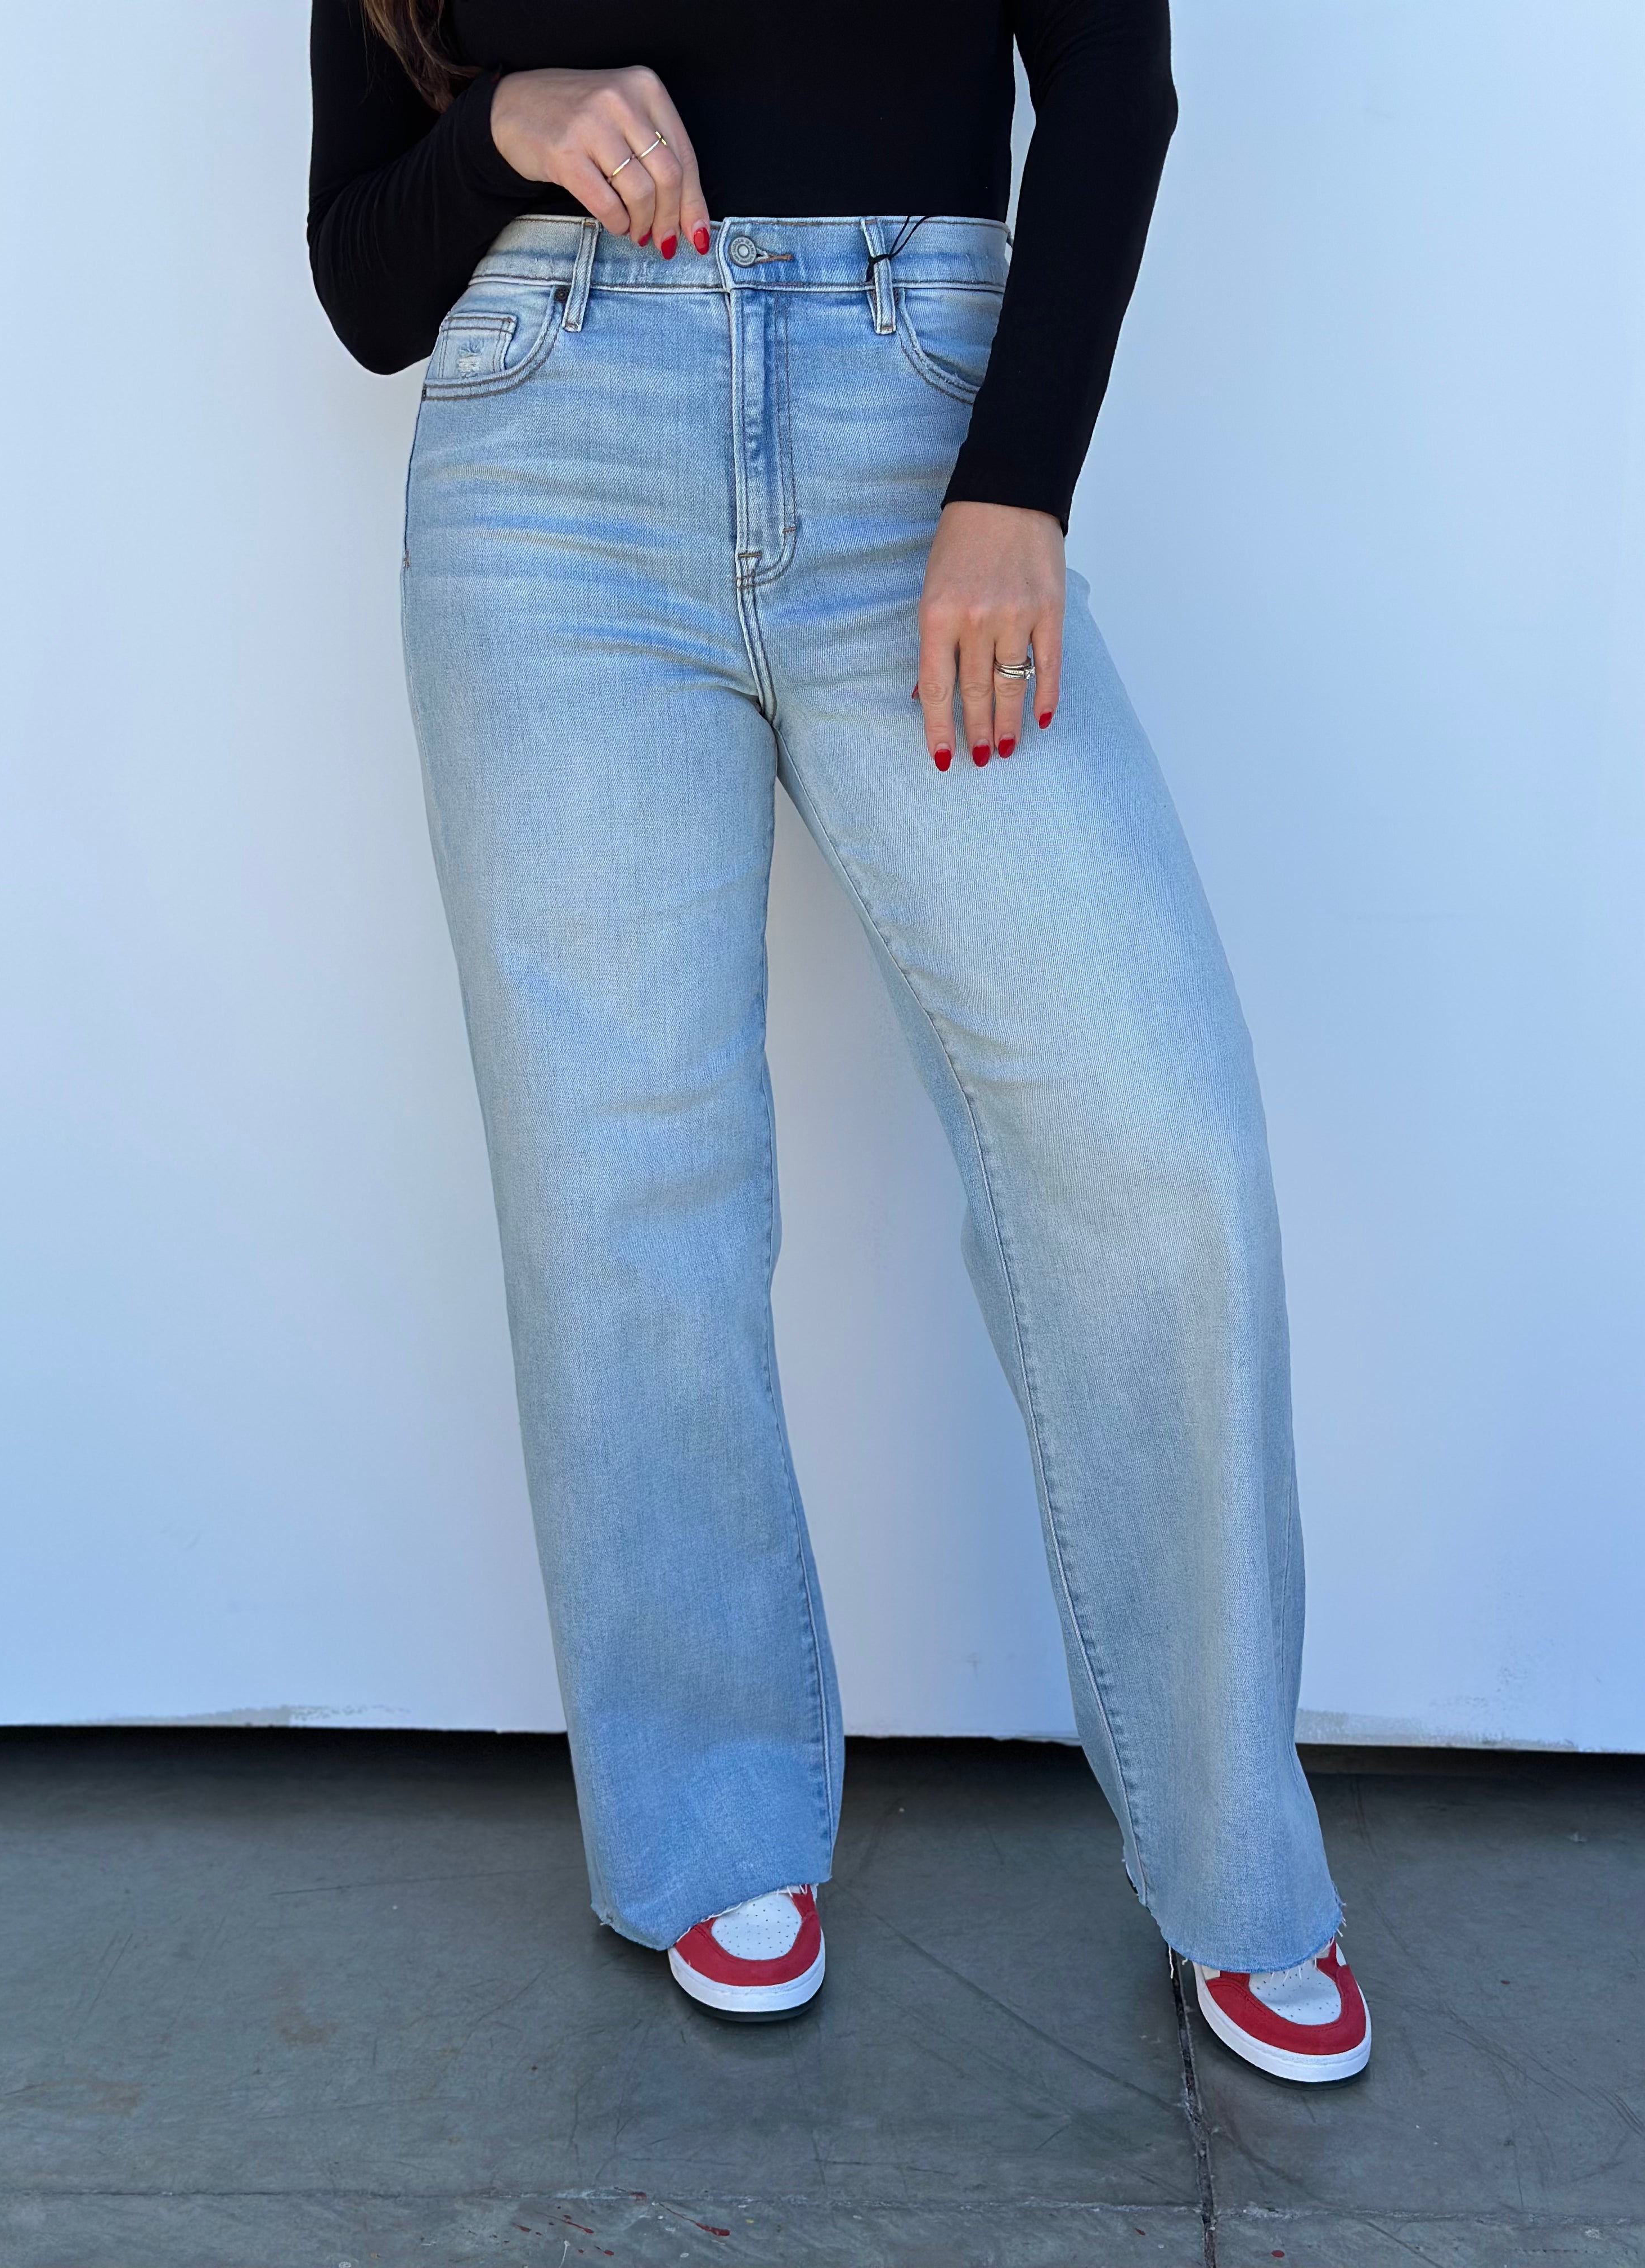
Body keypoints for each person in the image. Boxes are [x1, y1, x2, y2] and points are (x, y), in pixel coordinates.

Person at [308, 0, 1372, 2084]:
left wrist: (1019, 482)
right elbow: (362, 279)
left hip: (917, 418)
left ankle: (1241, 1858)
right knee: (622, 1182)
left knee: (1149, 1129)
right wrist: (507, 118)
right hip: (546, 460)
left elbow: (1116, 82)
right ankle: (710, 1821)